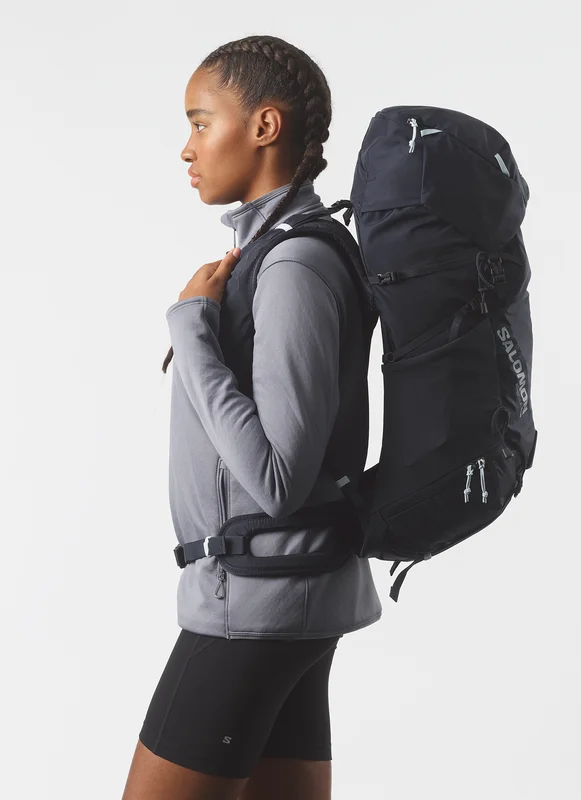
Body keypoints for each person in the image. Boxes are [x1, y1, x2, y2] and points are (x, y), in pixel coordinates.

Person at [122, 34, 382, 800]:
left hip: (255, 605)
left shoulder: (295, 264)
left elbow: (278, 479)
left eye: (201, 122)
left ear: (264, 126)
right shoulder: (277, 253)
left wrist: (191, 328)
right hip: (282, 593)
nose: (187, 147)